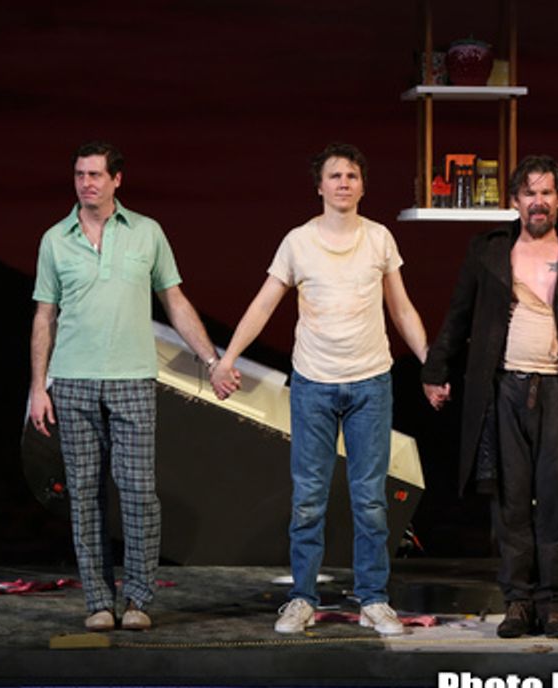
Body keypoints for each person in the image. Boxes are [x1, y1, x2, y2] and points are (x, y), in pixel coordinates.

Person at [210, 142, 429, 636]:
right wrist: (225, 359)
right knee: (309, 497)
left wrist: (429, 364)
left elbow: (402, 309)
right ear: (320, 186)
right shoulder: (298, 241)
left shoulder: (378, 239)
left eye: (352, 175)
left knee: (370, 499)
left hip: (371, 382)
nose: (344, 183)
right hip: (314, 385)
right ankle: (302, 598)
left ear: (362, 185)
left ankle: (373, 599)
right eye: (335, 176)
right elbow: (264, 304)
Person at [421, 155, 558, 639]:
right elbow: (459, 315)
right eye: (529, 193)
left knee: (557, 501)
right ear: (515, 201)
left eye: (547, 193)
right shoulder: (488, 250)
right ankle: (517, 602)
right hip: (505, 388)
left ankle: (553, 605)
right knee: (511, 501)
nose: (538, 201)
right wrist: (436, 372)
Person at [29, 141, 220, 632]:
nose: (86, 182)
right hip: (71, 383)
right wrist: (38, 386)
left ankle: (137, 599)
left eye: (95, 174)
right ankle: (98, 600)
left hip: (132, 380)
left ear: (117, 180)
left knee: (138, 494)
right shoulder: (55, 239)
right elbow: (44, 316)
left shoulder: (147, 233)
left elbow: (174, 301)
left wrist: (211, 359)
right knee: (84, 495)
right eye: (79, 174)